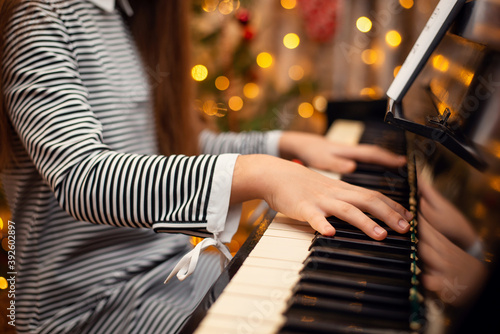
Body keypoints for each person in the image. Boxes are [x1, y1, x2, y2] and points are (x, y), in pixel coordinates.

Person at [0, 0, 412, 333]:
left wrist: (283, 143)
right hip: (90, 308)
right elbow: (82, 180)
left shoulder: (127, 15)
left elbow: (174, 145)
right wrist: (262, 173)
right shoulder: (39, 17)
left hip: (168, 276)